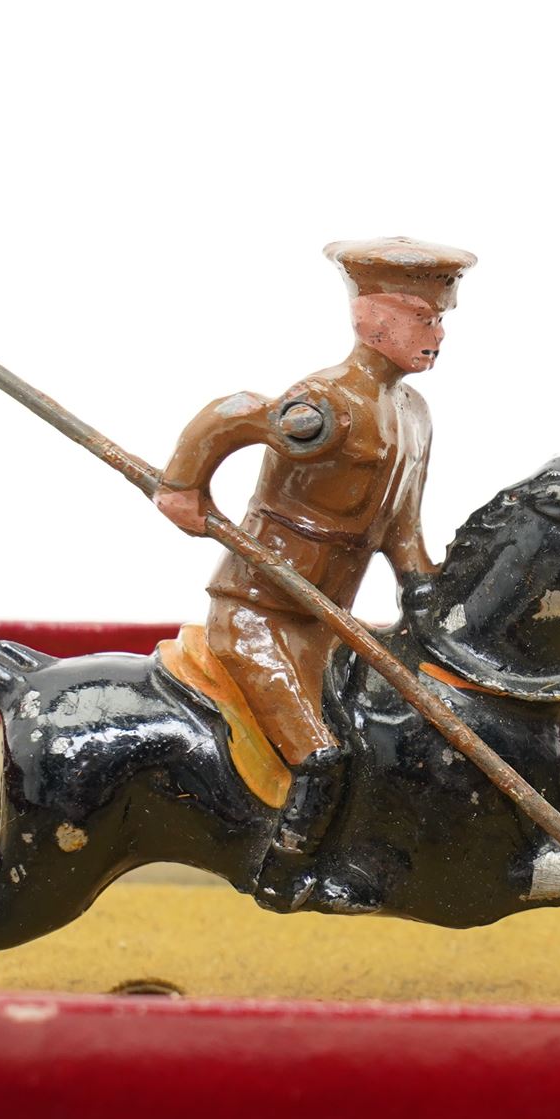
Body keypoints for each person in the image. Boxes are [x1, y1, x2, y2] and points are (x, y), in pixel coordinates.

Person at [157, 236, 475, 910]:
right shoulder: (328, 402)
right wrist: (183, 486)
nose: (437, 333)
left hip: (327, 620)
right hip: (259, 612)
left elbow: (402, 530)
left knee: (380, 742)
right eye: (424, 316)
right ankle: (282, 874)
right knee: (322, 756)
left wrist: (429, 595)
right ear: (372, 320)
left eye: (442, 318)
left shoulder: (414, 416)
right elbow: (237, 413)